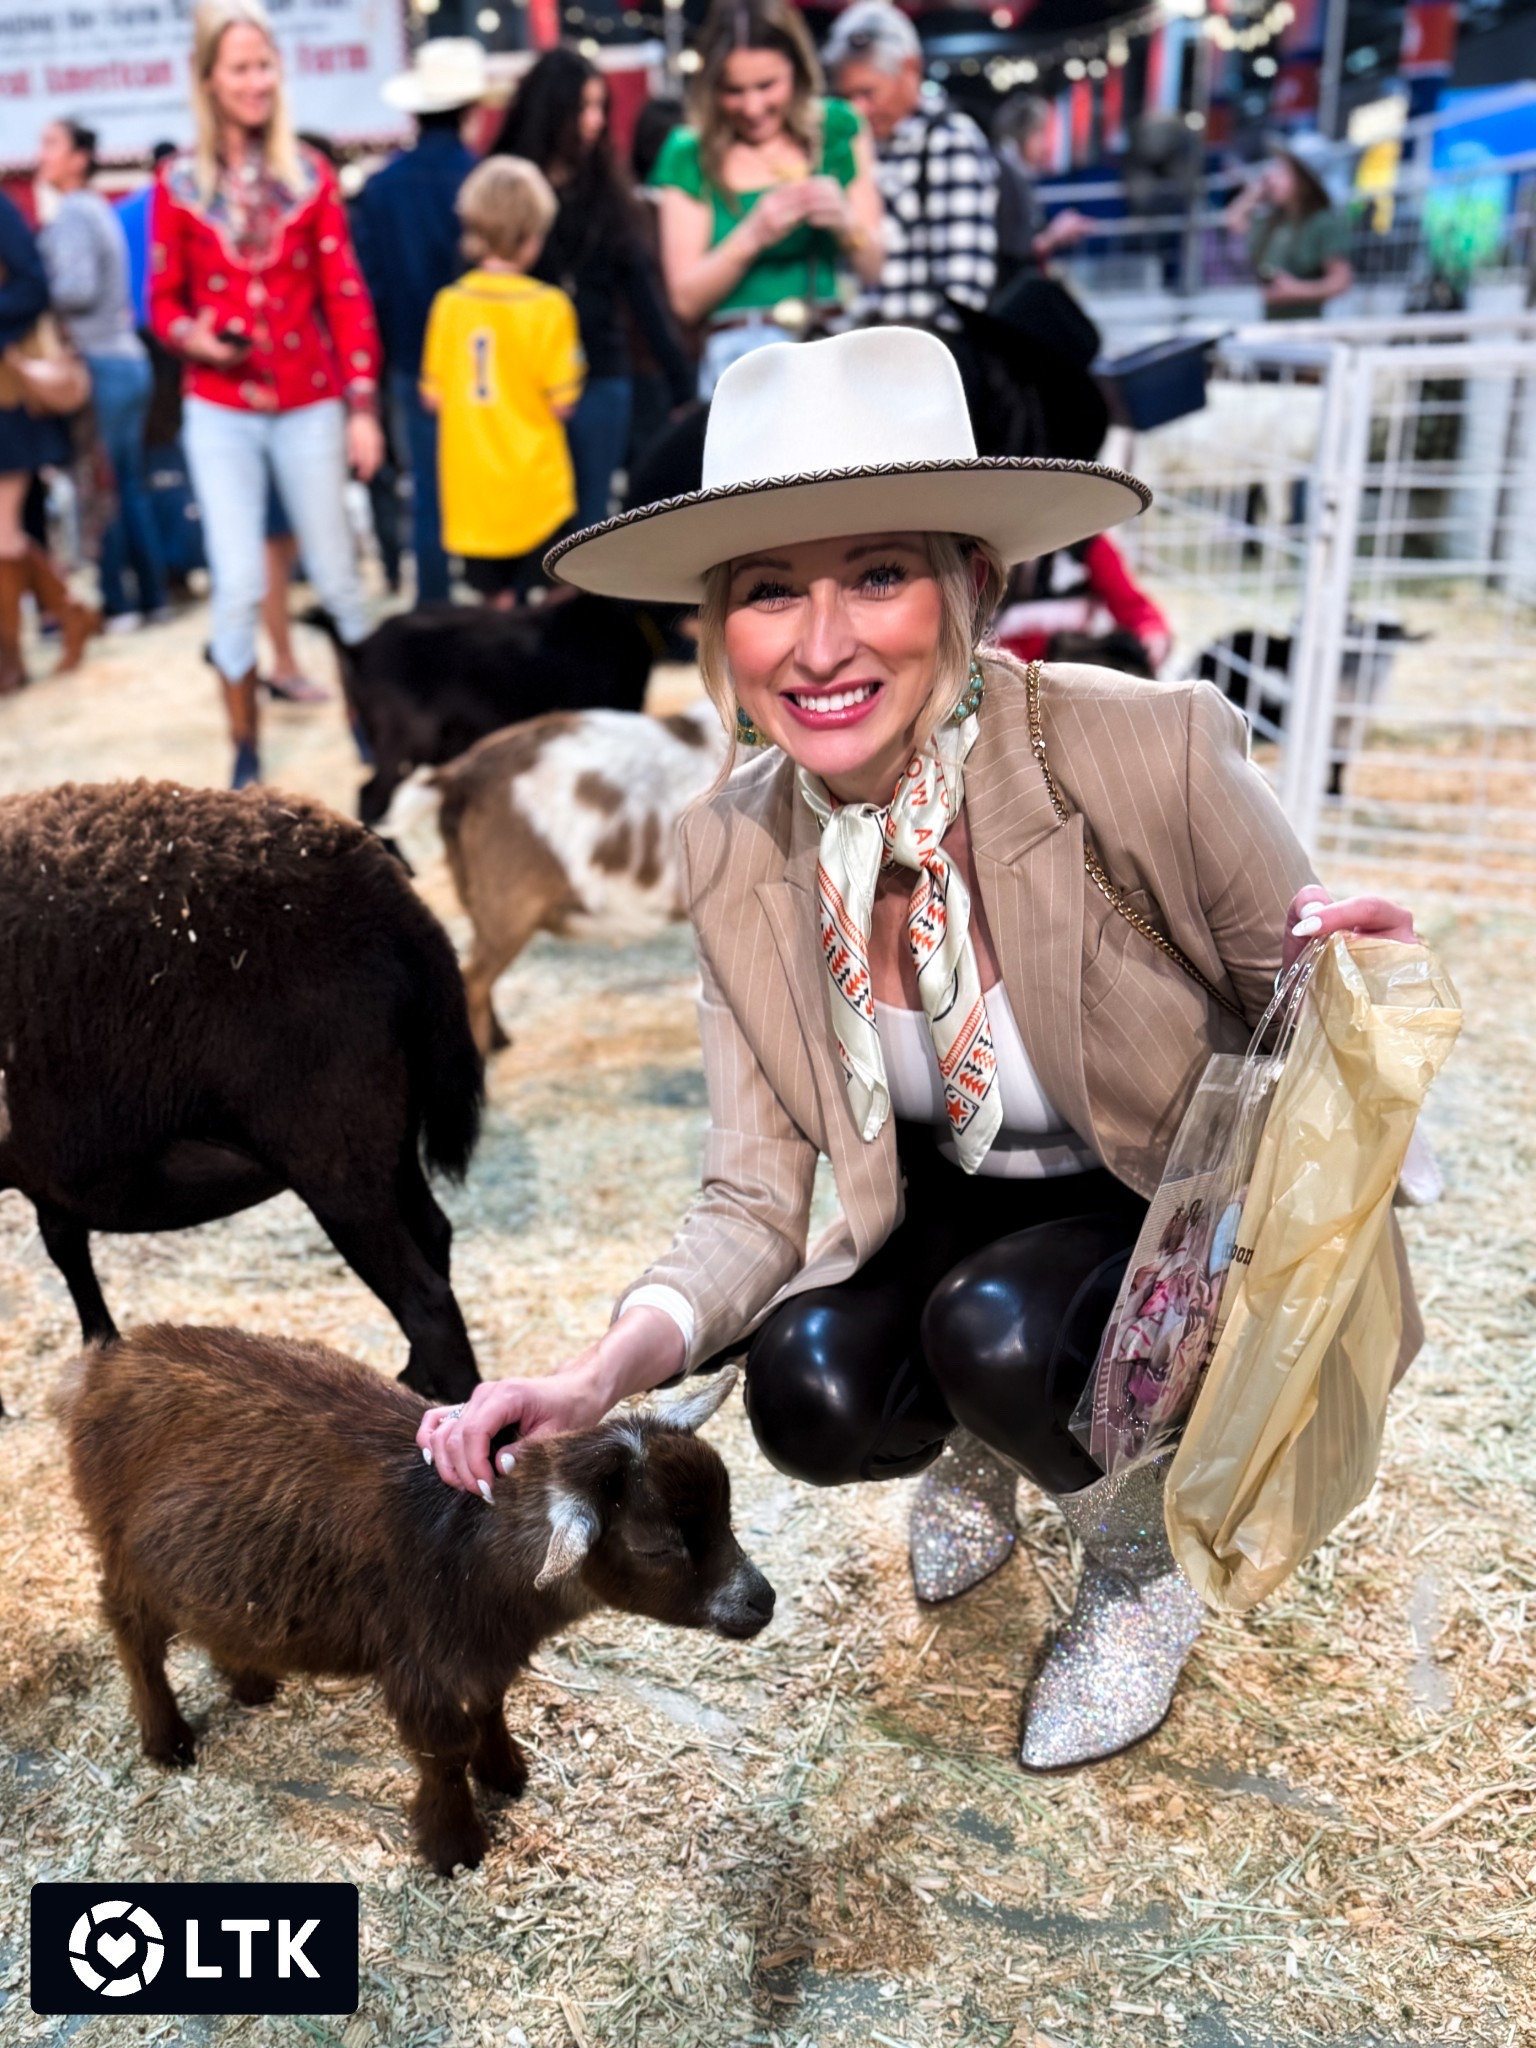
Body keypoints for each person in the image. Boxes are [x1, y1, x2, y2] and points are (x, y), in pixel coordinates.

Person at [417, 325, 1423, 1772]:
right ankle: (988, 1447)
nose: (820, 644)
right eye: (769, 590)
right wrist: (592, 1377)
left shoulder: (1140, 747)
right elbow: (752, 1198)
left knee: (996, 1332)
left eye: (878, 575)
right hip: (956, 1205)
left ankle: (1136, 1565)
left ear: (974, 586)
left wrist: (1372, 976)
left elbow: (1327, 1023)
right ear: (719, 629)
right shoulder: (734, 842)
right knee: (809, 1387)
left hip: (1169, 1209)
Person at [150, 0, 383, 789]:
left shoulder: (309, 176)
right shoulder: (177, 184)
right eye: (240, 68)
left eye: (264, 65)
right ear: (209, 80)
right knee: (238, 581)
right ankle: (243, 747)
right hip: (219, 405)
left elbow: (345, 294)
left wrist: (361, 406)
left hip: (309, 400)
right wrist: (198, 337)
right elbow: (161, 301)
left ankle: (370, 728)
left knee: (338, 572)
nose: (256, 81)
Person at [490, 51, 693, 531]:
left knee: (589, 517)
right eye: (584, 107)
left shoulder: (607, 189)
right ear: (554, 109)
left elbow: (642, 291)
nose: (597, 121)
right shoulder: (509, 186)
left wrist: (679, 379)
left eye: (601, 107)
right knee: (531, 516)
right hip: (526, 379)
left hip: (600, 373)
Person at [650, 0, 884, 396]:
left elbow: (874, 266)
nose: (753, 107)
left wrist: (845, 221)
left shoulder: (837, 129)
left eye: (766, 86)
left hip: (829, 346)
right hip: (740, 362)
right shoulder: (689, 152)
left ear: (797, 71)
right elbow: (685, 301)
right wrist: (753, 234)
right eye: (734, 90)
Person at [353, 37, 484, 605]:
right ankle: (493, 602)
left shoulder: (380, 189)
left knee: (427, 492)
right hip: (484, 360)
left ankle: (433, 608)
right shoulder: (482, 180)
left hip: (410, 362)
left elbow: (370, 287)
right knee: (488, 481)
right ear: (470, 108)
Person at [419, 155, 584, 606]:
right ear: (531, 237)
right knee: (559, 593)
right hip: (537, 485)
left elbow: (432, 397)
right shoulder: (549, 306)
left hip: (473, 490)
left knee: (496, 608)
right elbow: (562, 403)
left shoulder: (449, 303)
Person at [37, 117, 168, 633]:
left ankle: (119, 602)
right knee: (127, 486)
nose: (43, 154)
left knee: (101, 489)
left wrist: (32, 286)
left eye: (51, 144)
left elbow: (76, 288)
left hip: (101, 363)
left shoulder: (73, 212)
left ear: (78, 158)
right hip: (125, 358)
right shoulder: (95, 208)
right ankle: (151, 595)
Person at [823, 1, 997, 331]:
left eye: (867, 92)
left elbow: (965, 290)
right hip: (853, 341)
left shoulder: (949, 139)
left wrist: (928, 354)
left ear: (910, 69)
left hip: (916, 343)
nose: (858, 109)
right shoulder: (848, 142)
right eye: (847, 96)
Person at [0, 189, 97, 695]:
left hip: (7, 395)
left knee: (3, 533)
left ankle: (9, 658)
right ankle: (70, 610)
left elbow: (32, 285)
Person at [1223, 147, 1354, 321]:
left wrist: (1296, 290)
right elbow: (1233, 220)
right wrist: (1255, 192)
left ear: (1303, 181)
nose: (1273, 178)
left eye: (1282, 172)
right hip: (1272, 325)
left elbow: (1341, 281)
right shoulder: (1274, 221)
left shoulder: (1321, 223)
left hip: (1307, 326)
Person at [990, 92, 1095, 293]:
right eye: (1042, 133)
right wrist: (1054, 235)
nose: (1048, 145)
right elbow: (1014, 250)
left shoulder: (1016, 175)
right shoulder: (1005, 177)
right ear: (1021, 135)